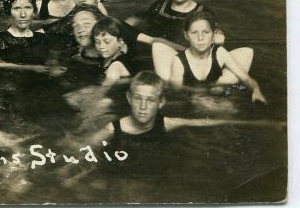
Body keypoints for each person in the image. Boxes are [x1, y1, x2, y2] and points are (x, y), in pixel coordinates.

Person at [91, 71, 277, 145]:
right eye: (138, 99)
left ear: (161, 102)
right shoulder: (111, 129)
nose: (143, 107)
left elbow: (208, 122)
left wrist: (264, 124)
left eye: (150, 100)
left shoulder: (168, 123)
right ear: (129, 98)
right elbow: (82, 149)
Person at [168, 12, 265, 103]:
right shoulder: (179, 61)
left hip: (217, 97)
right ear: (186, 35)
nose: (200, 38)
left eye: (206, 32)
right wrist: (206, 90)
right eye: (194, 33)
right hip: (193, 100)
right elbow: (176, 91)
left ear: (213, 35)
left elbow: (246, 78)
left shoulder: (219, 53)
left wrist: (256, 89)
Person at [0, 0, 54, 71]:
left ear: (34, 12)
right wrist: (28, 68)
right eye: (17, 8)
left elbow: (49, 62)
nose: (23, 15)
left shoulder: (42, 39)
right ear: (9, 12)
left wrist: (55, 68)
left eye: (28, 8)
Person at [91, 17, 139, 83]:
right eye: (97, 42)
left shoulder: (115, 67)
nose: (101, 46)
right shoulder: (111, 59)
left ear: (120, 42)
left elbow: (104, 92)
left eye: (107, 41)